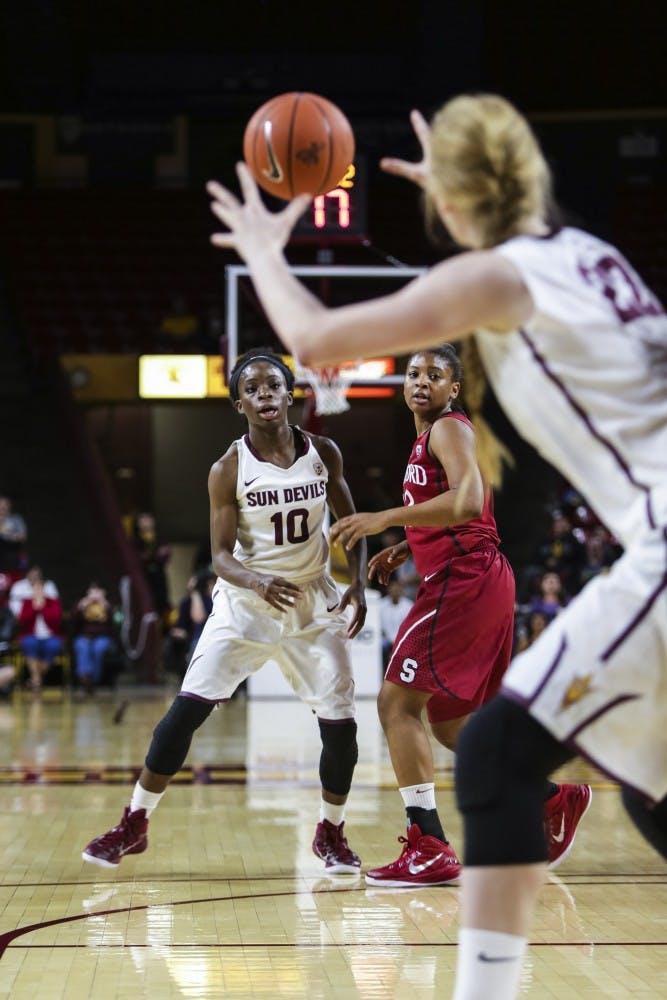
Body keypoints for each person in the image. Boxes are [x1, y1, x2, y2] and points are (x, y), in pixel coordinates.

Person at [206, 91, 667, 999]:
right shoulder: (591, 256)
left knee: (494, 753)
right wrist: (460, 202)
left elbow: (313, 337)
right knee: (643, 783)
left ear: (453, 201)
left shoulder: (500, 277)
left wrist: (264, 249)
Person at [82, 348, 368, 875]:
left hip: (311, 600)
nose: (265, 395)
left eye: (273, 386)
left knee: (342, 726)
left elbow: (352, 525)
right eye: (253, 389)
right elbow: (217, 557)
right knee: (183, 715)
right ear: (240, 403)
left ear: (289, 393)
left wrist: (361, 586)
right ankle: (135, 822)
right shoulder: (227, 469)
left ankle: (331, 833)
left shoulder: (323, 451)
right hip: (247, 601)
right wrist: (258, 579)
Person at [330, 345, 585, 887]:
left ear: (454, 388)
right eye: (414, 373)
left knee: (395, 703)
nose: (422, 381)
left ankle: (429, 845)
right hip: (479, 577)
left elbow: (468, 501)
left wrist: (385, 518)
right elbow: (459, 506)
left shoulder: (448, 429)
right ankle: (550, 797)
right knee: (451, 725)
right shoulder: (433, 437)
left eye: (436, 374)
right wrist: (408, 543)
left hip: (464, 580)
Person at [15, 567, 64, 692]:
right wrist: (34, 608)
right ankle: (37, 680)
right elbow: (23, 620)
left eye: (40, 588)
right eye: (34, 589)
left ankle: (34, 680)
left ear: (44, 588)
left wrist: (42, 607)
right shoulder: (27, 602)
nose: (37, 591)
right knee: (30, 643)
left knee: (53, 646)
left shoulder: (52, 602)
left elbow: (55, 619)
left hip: (50, 636)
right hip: (31, 635)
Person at [71, 582, 115, 694]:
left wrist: (105, 606)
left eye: (97, 591)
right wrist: (81, 606)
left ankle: (93, 679)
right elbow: (74, 619)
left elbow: (114, 621)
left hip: (102, 637)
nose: (94, 595)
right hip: (84, 636)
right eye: (92, 592)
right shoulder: (82, 604)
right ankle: (84, 676)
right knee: (82, 647)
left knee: (98, 649)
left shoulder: (107, 605)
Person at [378, 577, 413, 668]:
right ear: (388, 589)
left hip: (403, 639)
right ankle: (383, 673)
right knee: (380, 646)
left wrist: (398, 640)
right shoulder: (381, 605)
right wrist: (389, 639)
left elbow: (409, 628)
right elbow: (379, 626)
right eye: (393, 588)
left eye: (397, 588)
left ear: (401, 589)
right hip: (385, 639)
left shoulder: (409, 605)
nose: (395, 591)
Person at [0, 495, 28, 574]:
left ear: (9, 506)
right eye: (0, 505)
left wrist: (6, 533)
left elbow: (23, 537)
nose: (2, 508)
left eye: (5, 505)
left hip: (12, 559)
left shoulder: (16, 519)